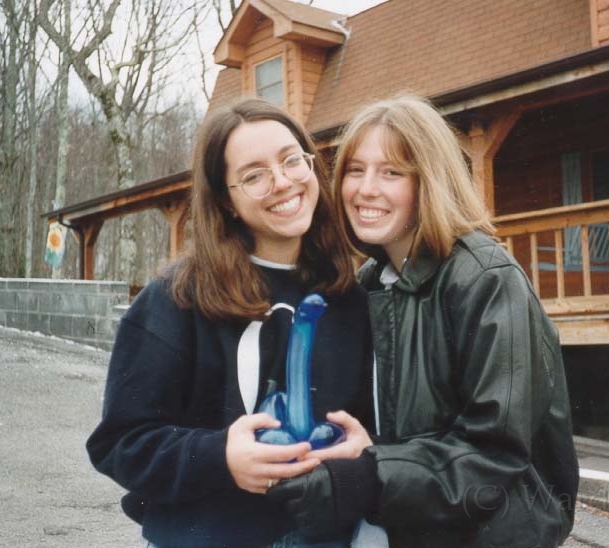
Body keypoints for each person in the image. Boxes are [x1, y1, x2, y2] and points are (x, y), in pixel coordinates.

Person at [269, 95, 579, 548]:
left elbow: (495, 454)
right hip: (397, 523)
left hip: (488, 535)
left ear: (429, 181)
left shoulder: (486, 281)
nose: (366, 189)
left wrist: (370, 470)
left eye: (391, 172)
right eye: (355, 170)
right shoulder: (369, 284)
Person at [86, 97, 375, 548]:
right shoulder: (175, 298)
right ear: (227, 201)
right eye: (253, 175)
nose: (282, 182)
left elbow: (376, 425)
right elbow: (120, 443)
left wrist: (366, 453)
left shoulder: (349, 298)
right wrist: (218, 457)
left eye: (291, 160)